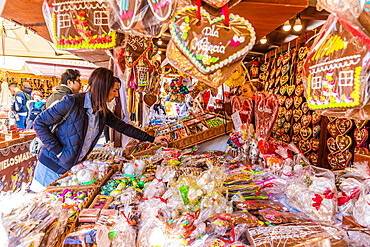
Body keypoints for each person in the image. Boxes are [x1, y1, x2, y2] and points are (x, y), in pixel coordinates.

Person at [31, 67, 168, 191]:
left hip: (70, 170)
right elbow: (39, 123)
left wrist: (152, 139)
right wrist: (59, 152)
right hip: (50, 168)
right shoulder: (72, 102)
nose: (116, 95)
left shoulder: (102, 111)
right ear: (103, 88)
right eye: (114, 91)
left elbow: (123, 127)